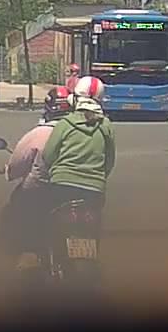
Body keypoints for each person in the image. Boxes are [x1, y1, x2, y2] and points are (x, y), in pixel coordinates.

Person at [2, 86, 74, 270]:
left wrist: (10, 172)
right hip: (75, 188)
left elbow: (17, 164)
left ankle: (28, 250)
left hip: (40, 188)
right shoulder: (80, 132)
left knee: (18, 206)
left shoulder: (38, 133)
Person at [39, 76, 115, 239]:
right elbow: (109, 161)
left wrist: (54, 172)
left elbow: (48, 155)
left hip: (62, 186)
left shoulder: (65, 124)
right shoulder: (106, 126)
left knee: (49, 222)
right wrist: (98, 177)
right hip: (95, 189)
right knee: (94, 229)